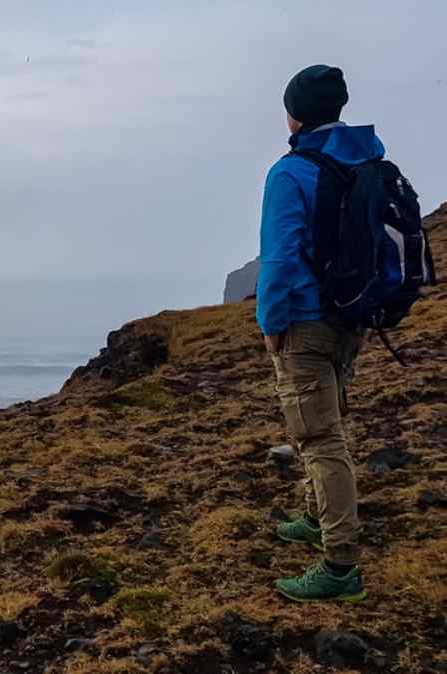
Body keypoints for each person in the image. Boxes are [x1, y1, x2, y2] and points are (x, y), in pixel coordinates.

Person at [257, 64, 382, 603]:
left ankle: (339, 567)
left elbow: (280, 257)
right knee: (327, 422)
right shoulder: (366, 159)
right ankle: (316, 517)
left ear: (295, 113)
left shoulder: (292, 171)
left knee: (318, 436)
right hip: (350, 316)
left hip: (305, 320)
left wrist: (271, 323)